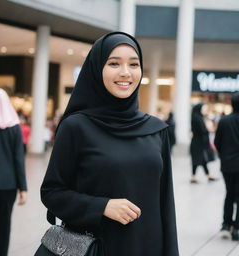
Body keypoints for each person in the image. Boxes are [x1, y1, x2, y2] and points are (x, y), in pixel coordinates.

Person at [39, 32, 179, 256]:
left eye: (134, 64)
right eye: (114, 63)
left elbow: (166, 207)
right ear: (96, 69)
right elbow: (52, 193)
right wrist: (102, 207)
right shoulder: (76, 127)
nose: (125, 72)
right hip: (98, 249)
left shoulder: (156, 130)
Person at [0, 88, 27, 256]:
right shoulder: (15, 127)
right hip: (8, 186)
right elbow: (18, 159)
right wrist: (23, 188)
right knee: (4, 226)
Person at [214, 92, 239, 241]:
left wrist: (224, 154)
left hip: (228, 164)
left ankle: (226, 224)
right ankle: (237, 227)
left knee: (229, 194)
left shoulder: (224, 121)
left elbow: (217, 142)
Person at [189, 103, 217, 183]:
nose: (203, 110)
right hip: (198, 143)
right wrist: (209, 129)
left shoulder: (196, 117)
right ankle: (195, 177)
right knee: (198, 159)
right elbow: (202, 130)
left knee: (200, 159)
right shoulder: (198, 118)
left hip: (197, 142)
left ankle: (202, 176)